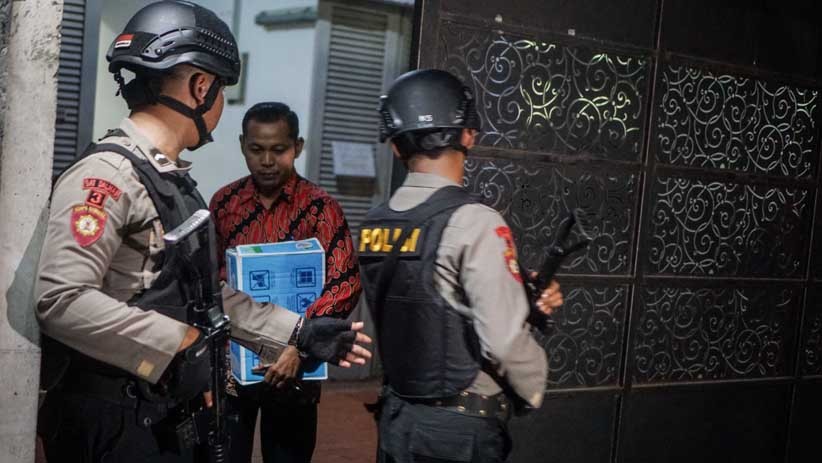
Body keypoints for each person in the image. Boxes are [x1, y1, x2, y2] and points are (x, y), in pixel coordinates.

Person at [34, 2, 370, 462]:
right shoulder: (109, 176)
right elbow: (61, 299)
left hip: (160, 414)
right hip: (116, 425)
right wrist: (183, 344)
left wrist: (298, 331)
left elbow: (201, 295)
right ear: (201, 87)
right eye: (222, 90)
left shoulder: (169, 181)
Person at [358, 69, 563, 463]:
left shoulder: (373, 223)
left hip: (398, 420)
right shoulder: (476, 221)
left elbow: (424, 301)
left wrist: (520, 296)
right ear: (468, 134)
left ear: (396, 146)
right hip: (459, 432)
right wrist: (532, 387)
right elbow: (503, 343)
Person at [209, 101, 362, 463]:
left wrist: (300, 346)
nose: (267, 161)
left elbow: (343, 283)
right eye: (256, 149)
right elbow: (209, 279)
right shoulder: (224, 203)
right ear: (242, 145)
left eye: (278, 150)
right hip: (233, 364)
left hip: (297, 367)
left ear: (298, 146)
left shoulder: (321, 208)